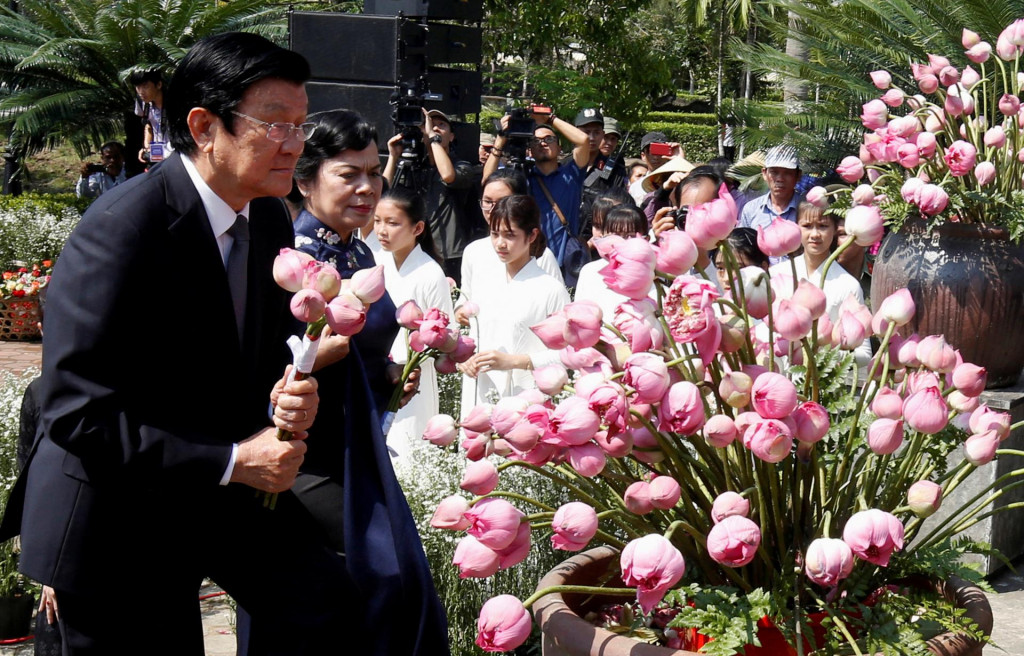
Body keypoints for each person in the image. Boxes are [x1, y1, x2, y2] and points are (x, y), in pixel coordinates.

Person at [0, 33, 342, 655]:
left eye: (301, 124)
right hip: (114, 519)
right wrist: (238, 461)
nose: (295, 144)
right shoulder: (123, 231)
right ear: (204, 125)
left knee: (336, 598)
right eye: (274, 123)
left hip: (207, 492)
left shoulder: (266, 215)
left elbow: (249, 354)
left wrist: (290, 392)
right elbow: (77, 413)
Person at [264, 108, 448, 656]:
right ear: (305, 179)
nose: (368, 187)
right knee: (376, 583)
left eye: (374, 172)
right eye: (349, 174)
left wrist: (392, 372)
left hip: (359, 439)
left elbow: (364, 346)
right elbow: (276, 364)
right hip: (307, 454)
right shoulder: (292, 261)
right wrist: (329, 349)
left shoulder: (359, 252)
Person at [458, 195, 569, 411]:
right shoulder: (484, 282)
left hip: (527, 397)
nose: (500, 243)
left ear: (532, 235)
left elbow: (568, 354)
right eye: (494, 234)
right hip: (480, 393)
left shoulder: (550, 289)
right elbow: (473, 337)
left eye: (510, 235)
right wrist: (466, 360)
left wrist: (515, 361)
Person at [373, 186, 454, 460]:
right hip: (377, 371)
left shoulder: (430, 273)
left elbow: (446, 335)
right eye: (377, 221)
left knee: (407, 456)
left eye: (393, 223)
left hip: (412, 377)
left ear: (418, 228)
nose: (382, 230)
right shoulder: (374, 262)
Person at [484, 107, 590, 283]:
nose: (542, 143)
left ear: (559, 146)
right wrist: (501, 137)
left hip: (565, 262)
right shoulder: (521, 177)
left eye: (549, 139)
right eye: (535, 140)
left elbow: (583, 141)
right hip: (529, 261)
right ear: (529, 149)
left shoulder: (571, 174)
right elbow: (488, 181)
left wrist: (549, 119)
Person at [384, 109, 485, 283]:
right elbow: (384, 193)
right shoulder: (415, 167)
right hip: (415, 249)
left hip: (448, 253)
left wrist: (432, 137)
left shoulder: (462, 166)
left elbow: (447, 175)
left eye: (441, 125)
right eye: (430, 124)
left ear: (452, 136)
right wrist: (393, 157)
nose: (435, 128)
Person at [457, 169, 562, 326]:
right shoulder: (473, 252)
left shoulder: (542, 256)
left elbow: (557, 320)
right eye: (487, 202)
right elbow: (466, 296)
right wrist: (459, 311)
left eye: (502, 202)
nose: (493, 210)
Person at [575, 204, 649, 320]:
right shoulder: (589, 272)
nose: (621, 243)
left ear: (646, 239)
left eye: (630, 236)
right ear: (603, 236)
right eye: (615, 236)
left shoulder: (653, 276)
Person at [739, 145, 803, 232]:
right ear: (764, 174)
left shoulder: (807, 209)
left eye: (787, 173)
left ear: (798, 175)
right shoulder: (751, 209)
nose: (780, 179)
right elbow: (742, 242)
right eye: (774, 172)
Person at [130, 68, 171, 164]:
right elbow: (149, 125)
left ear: (159, 85)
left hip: (177, 155)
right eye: (137, 87)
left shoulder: (175, 104)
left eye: (145, 86)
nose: (140, 92)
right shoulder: (142, 102)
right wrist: (146, 147)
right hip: (158, 155)